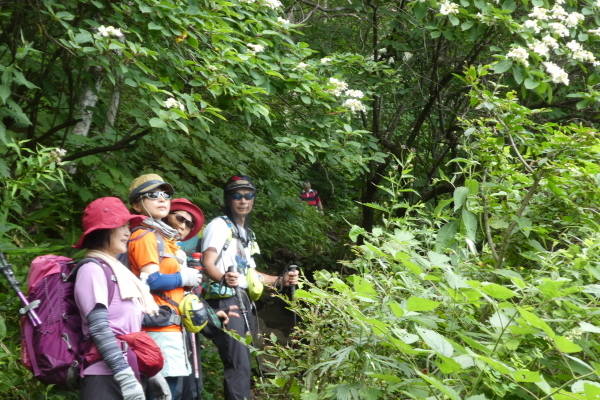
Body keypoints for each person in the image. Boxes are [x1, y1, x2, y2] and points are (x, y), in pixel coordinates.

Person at [200, 175, 299, 400]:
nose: (243, 200)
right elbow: (208, 262)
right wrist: (225, 278)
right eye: (237, 196)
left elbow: (250, 275)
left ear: (254, 199)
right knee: (238, 363)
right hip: (224, 300)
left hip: (242, 299)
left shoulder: (246, 234)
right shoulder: (219, 225)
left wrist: (280, 280)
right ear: (228, 199)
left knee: (244, 360)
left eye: (248, 195)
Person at [73, 197, 168, 400]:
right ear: (104, 231)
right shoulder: (92, 269)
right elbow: (99, 328)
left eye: (128, 226)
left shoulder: (119, 272)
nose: (128, 232)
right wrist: (125, 377)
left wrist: (151, 374)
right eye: (122, 227)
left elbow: (129, 330)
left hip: (127, 372)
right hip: (104, 378)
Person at [127, 174, 201, 400]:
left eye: (165, 194)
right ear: (137, 204)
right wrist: (184, 277)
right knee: (163, 394)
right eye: (152, 195)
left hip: (171, 329)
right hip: (157, 329)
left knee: (171, 393)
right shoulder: (145, 235)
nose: (161, 199)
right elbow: (150, 281)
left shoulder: (163, 237)